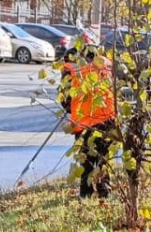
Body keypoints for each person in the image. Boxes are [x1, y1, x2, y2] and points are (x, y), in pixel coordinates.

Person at [60, 45, 116, 199]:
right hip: (109, 119)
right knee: (103, 159)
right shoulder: (105, 64)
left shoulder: (70, 70)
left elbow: (65, 101)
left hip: (85, 123)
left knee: (87, 162)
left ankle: (86, 195)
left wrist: (71, 109)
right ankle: (105, 192)